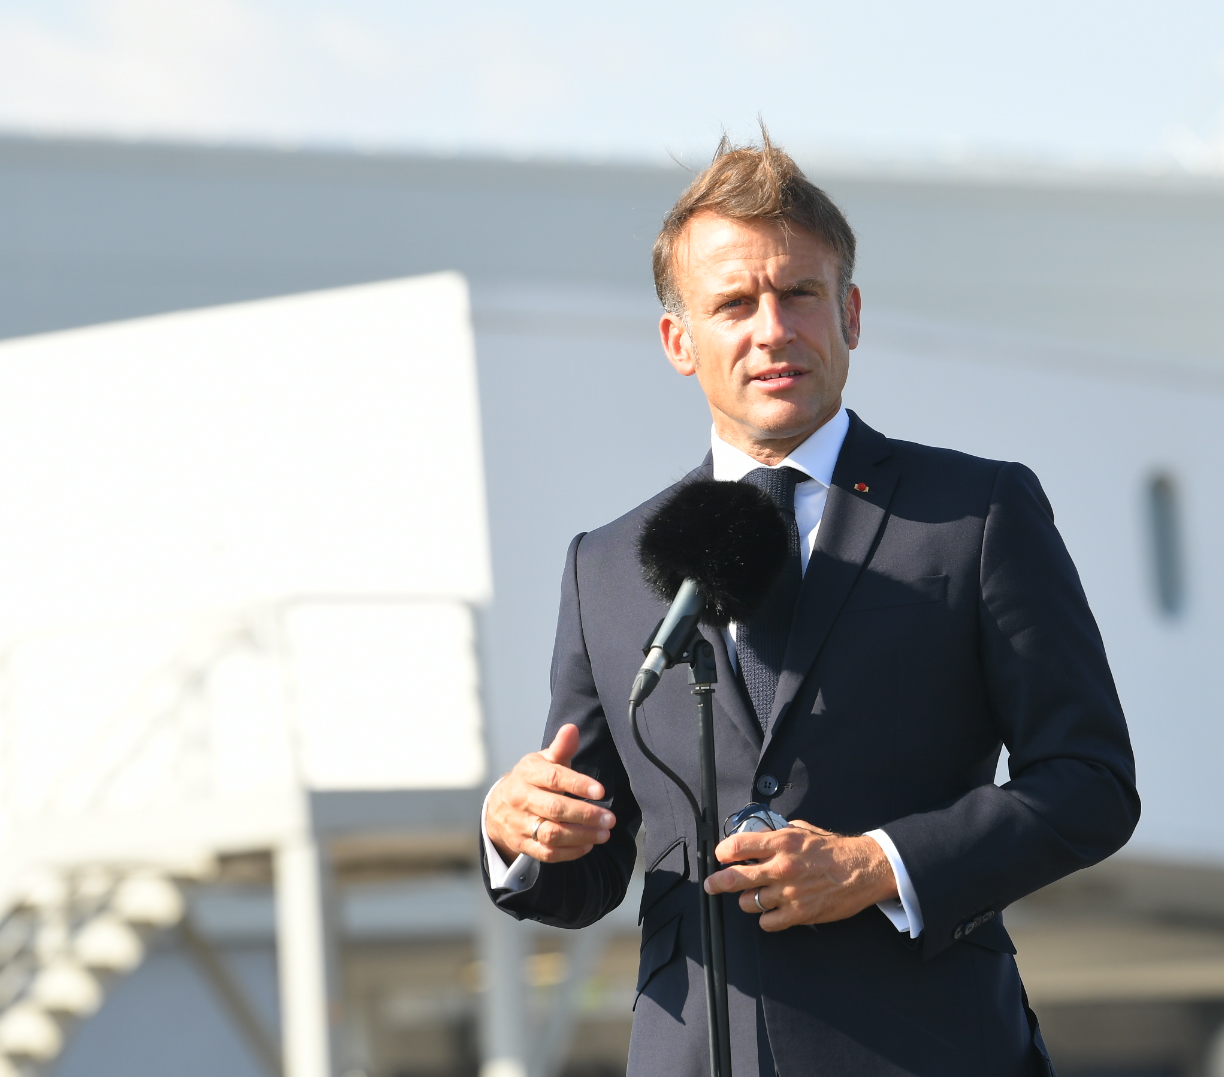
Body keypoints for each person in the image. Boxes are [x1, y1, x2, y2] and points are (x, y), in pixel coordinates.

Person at [480, 130, 1139, 1077]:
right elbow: (586, 869)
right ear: (678, 342)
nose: (773, 329)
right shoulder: (606, 565)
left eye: (799, 294)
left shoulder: (976, 513)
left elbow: (1090, 782)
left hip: (930, 1049)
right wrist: (519, 831)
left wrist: (878, 864)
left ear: (850, 314)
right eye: (733, 304)